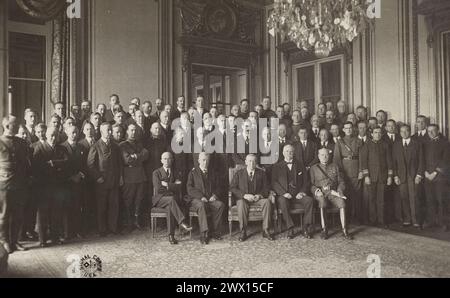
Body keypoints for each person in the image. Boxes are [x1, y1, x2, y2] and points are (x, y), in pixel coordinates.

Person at [33, 126, 69, 247]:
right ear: (46, 135)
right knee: (42, 213)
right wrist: (57, 165)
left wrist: (53, 163)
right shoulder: (39, 148)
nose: (53, 138)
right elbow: (37, 167)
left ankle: (55, 237)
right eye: (51, 135)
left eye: (56, 136)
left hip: (58, 186)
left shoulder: (62, 148)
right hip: (43, 186)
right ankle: (42, 240)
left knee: (56, 212)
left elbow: (67, 162)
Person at [0, 116, 31, 253]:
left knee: (18, 214)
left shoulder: (22, 142)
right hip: (4, 183)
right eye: (15, 124)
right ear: (6, 125)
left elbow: (26, 162)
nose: (18, 126)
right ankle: (4, 240)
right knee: (4, 214)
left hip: (20, 182)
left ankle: (15, 241)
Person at [87, 123, 123, 237]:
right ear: (102, 132)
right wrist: (98, 177)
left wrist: (120, 177)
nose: (110, 132)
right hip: (102, 182)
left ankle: (113, 228)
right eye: (108, 130)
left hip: (114, 181)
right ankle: (102, 230)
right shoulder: (96, 146)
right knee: (102, 207)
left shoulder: (115, 146)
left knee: (114, 205)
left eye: (111, 130)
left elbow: (119, 163)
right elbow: (90, 165)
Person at [272, 145, 313, 239]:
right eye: (287, 151)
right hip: (285, 195)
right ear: (283, 153)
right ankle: (290, 227)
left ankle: (306, 227)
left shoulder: (300, 165)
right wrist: (283, 193)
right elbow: (274, 183)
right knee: (282, 201)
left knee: (309, 200)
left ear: (294, 153)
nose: (289, 153)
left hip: (298, 195)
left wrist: (302, 192)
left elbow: (306, 181)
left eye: (291, 151)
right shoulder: (277, 166)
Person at [230, 154, 274, 242]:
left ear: (256, 162)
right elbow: (232, 188)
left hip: (258, 199)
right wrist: (244, 195)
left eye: (254, 161)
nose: (251, 163)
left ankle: (266, 230)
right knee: (241, 203)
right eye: (249, 161)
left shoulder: (261, 173)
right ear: (245, 162)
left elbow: (267, 188)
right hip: (244, 199)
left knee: (267, 202)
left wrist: (259, 195)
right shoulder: (239, 173)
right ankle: (243, 231)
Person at [310, 148, 352, 240]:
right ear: (318, 156)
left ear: (329, 156)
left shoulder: (335, 166)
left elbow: (341, 181)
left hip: (333, 193)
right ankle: (324, 230)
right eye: (322, 155)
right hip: (321, 193)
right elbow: (311, 185)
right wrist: (317, 191)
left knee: (342, 203)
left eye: (326, 155)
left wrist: (340, 191)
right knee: (322, 202)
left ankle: (345, 230)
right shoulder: (313, 168)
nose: (324, 157)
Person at [152, 152, 192, 244]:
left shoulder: (176, 172)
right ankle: (182, 221)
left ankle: (171, 236)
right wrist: (172, 186)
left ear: (172, 160)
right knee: (171, 200)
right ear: (161, 160)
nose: (167, 161)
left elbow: (179, 187)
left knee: (170, 206)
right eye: (165, 159)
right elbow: (158, 189)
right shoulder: (156, 173)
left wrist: (166, 185)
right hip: (159, 199)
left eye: (169, 159)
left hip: (171, 201)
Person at [186, 153, 225, 244]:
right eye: (203, 160)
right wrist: (201, 197)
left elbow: (219, 187)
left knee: (220, 205)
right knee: (201, 205)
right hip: (197, 200)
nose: (205, 162)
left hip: (210, 199)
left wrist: (215, 195)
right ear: (199, 161)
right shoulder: (193, 173)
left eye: (207, 160)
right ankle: (204, 233)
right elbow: (189, 188)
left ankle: (215, 231)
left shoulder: (213, 172)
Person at [359, 127, 393, 227]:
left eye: (379, 133)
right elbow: (364, 162)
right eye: (375, 132)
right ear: (372, 134)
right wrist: (366, 176)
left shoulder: (385, 145)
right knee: (372, 199)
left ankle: (381, 221)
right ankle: (373, 220)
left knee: (381, 199)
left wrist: (390, 176)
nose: (377, 134)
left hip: (382, 177)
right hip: (371, 177)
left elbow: (389, 162)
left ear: (382, 134)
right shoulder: (367, 145)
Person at [392, 125, 424, 228]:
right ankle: (407, 219)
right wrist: (395, 176)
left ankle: (416, 220)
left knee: (414, 198)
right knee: (404, 197)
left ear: (410, 132)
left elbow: (421, 161)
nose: (404, 133)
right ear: (399, 133)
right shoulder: (396, 145)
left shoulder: (417, 144)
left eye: (406, 131)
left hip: (413, 175)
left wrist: (419, 174)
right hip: (401, 176)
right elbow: (394, 162)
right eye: (402, 131)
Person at [119, 124, 149, 232]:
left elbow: (146, 154)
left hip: (140, 176)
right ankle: (129, 223)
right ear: (127, 131)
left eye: (135, 130)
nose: (133, 132)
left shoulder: (139, 144)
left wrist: (135, 156)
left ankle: (137, 222)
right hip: (129, 177)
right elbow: (127, 160)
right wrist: (138, 157)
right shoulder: (122, 145)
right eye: (131, 130)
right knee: (128, 200)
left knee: (139, 200)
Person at [333, 122, 363, 223]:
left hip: (356, 169)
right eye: (346, 128)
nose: (349, 130)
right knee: (346, 194)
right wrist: (340, 173)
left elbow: (362, 157)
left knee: (357, 195)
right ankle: (347, 218)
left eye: (350, 128)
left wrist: (360, 171)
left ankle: (358, 217)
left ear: (353, 129)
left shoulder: (358, 141)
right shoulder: (339, 142)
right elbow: (337, 159)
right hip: (344, 170)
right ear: (343, 130)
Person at [423, 125, 449, 230]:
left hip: (439, 176)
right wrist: (425, 172)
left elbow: (446, 160)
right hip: (427, 176)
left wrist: (434, 173)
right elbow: (421, 159)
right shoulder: (425, 144)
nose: (431, 133)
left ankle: (442, 222)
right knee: (429, 199)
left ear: (438, 131)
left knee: (440, 200)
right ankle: (431, 221)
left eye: (433, 131)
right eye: (429, 131)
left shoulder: (445, 143)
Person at [61, 126, 86, 239]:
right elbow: (61, 166)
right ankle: (67, 232)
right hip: (66, 182)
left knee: (78, 206)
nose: (74, 134)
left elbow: (86, 164)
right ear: (66, 132)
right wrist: (70, 177)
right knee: (66, 208)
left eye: (76, 132)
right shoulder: (61, 147)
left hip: (79, 182)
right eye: (72, 132)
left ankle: (78, 230)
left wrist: (80, 174)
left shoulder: (82, 147)